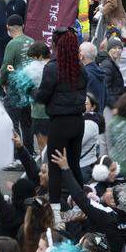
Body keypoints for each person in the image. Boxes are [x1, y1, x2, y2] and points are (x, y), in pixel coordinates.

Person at [34, 28, 86, 212]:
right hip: (79, 123)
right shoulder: (79, 66)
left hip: (60, 124)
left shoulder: (52, 68)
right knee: (74, 165)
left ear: (56, 45)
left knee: (55, 169)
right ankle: (83, 208)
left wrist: (31, 90)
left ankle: (55, 216)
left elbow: (42, 96)